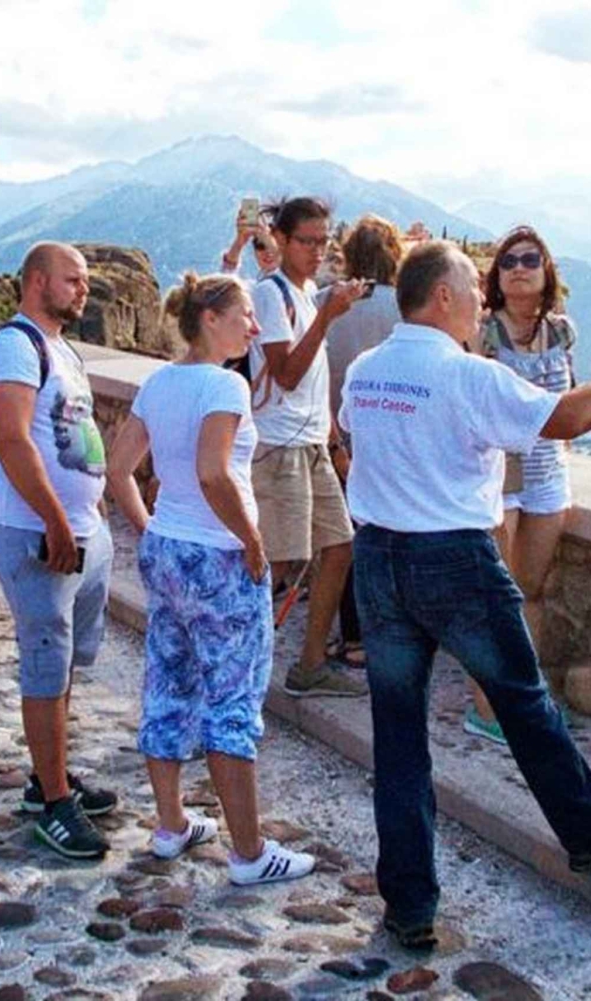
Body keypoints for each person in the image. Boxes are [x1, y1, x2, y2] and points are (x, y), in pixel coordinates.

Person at [339, 240, 591, 949]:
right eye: (470, 287)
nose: (480, 300)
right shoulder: (468, 375)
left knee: (398, 739)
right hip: (454, 559)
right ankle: (585, 826)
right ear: (441, 300)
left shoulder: (367, 371)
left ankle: (408, 904)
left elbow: (353, 440)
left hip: (378, 555)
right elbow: (567, 418)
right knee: (523, 701)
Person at [106, 272, 317, 886]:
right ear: (210, 319)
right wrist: (253, 542)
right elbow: (214, 474)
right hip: (220, 556)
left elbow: (119, 471)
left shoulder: (159, 382)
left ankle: (172, 825)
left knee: (169, 681)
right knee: (232, 698)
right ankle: (250, 854)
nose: (254, 327)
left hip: (169, 549)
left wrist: (152, 531)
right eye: (246, 314)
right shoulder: (225, 386)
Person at [0, 241, 118, 860]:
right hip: (34, 532)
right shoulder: (13, 345)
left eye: (84, 281)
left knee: (62, 664)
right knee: (44, 661)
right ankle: (56, 807)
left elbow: (74, 429)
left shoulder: (62, 349)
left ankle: (49, 779)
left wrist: (95, 505)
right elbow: (12, 440)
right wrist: (56, 520)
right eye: (73, 279)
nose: (83, 289)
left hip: (81, 528)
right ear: (37, 281)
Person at [249, 196, 369, 697]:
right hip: (278, 448)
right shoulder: (269, 294)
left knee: (339, 548)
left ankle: (310, 663)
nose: (317, 252)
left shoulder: (306, 293)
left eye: (324, 242)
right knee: (279, 567)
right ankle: (235, 668)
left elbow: (315, 385)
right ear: (280, 239)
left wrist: (334, 440)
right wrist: (327, 316)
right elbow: (288, 374)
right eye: (307, 241)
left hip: (313, 445)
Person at [464, 226, 578, 746]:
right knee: (496, 598)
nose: (518, 267)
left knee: (529, 590)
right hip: (501, 475)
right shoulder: (484, 333)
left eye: (530, 259)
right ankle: (488, 708)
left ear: (546, 269)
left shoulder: (561, 332)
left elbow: (568, 396)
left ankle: (523, 700)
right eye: (508, 261)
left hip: (548, 472)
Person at [321, 214, 405, 668]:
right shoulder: (407, 309)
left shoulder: (329, 303)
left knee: (351, 545)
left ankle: (354, 639)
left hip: (339, 438)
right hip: (396, 441)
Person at [221, 206, 280, 279]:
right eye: (260, 245)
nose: (267, 252)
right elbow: (226, 282)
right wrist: (239, 242)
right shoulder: (256, 287)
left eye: (276, 244)